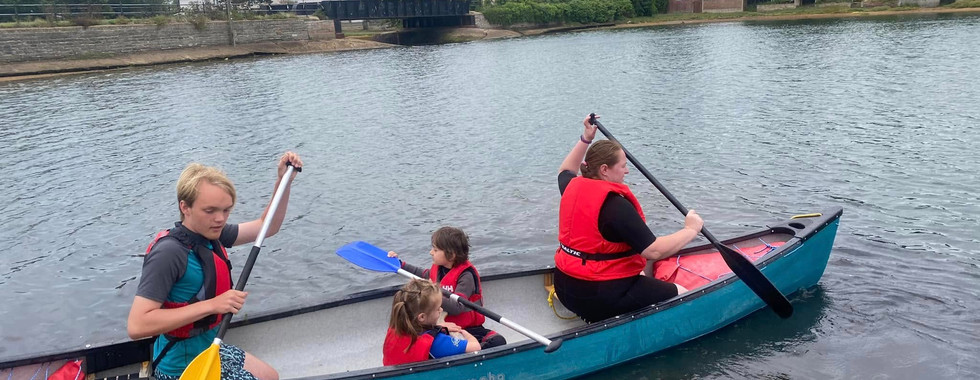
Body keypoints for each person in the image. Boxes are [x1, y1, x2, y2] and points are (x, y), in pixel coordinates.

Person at [127, 152, 303, 380]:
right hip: (181, 370)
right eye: (210, 211)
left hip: (211, 352)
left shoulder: (212, 234)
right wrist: (213, 305)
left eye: (226, 210)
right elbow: (137, 325)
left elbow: (266, 227)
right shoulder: (169, 253)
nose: (220, 219)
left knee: (271, 376)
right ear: (185, 207)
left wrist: (283, 182)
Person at [553, 115, 704, 323]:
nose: (627, 170)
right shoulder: (615, 205)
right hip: (597, 295)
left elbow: (565, 170)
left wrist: (586, 138)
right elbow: (654, 250)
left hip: (564, 287)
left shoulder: (572, 186)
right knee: (682, 292)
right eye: (622, 166)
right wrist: (691, 230)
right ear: (604, 170)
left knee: (639, 274)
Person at [387, 227, 506, 349]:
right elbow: (419, 273)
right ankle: (458, 349)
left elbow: (457, 307)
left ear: (451, 255)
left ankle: (469, 350)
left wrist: (433, 292)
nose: (431, 252)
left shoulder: (466, 276)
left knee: (497, 341)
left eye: (435, 249)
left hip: (468, 329)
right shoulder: (438, 269)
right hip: (443, 327)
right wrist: (400, 264)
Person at [382, 279, 481, 365]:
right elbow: (475, 347)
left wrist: (437, 327)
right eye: (438, 309)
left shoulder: (394, 330)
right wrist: (465, 333)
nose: (441, 310)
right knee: (493, 341)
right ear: (422, 317)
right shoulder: (436, 342)